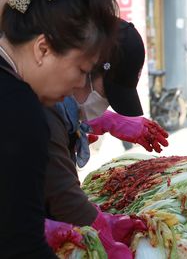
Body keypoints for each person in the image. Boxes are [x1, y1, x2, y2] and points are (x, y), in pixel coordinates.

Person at [0, 0, 119, 257]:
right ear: (43, 48)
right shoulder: (20, 108)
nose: (79, 86)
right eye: (81, 69)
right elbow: (20, 246)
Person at [43, 19, 153, 258]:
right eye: (106, 94)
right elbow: (61, 193)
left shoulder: (60, 110)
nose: (80, 83)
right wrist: (101, 230)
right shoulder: (41, 107)